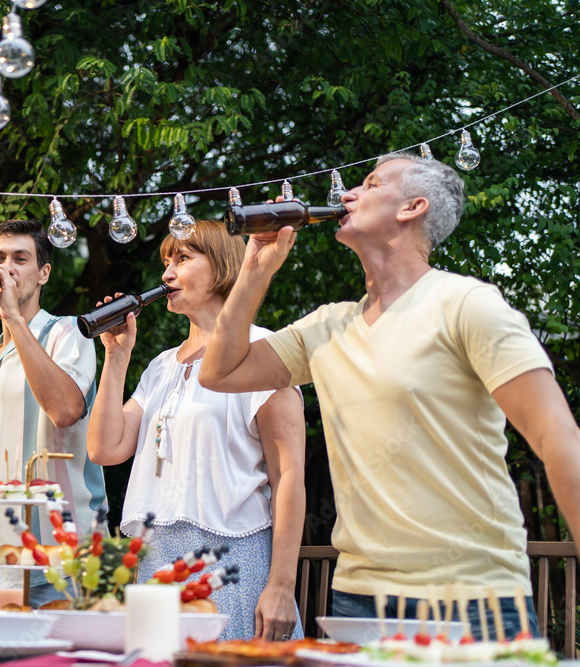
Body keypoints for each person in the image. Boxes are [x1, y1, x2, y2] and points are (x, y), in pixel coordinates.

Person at [199, 152, 580, 638]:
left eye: (371, 184)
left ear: (412, 208)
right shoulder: (326, 325)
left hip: (471, 599)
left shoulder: (467, 305)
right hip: (358, 601)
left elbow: (558, 439)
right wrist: (255, 270)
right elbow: (219, 372)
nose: (347, 194)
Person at [86, 219, 306, 641]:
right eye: (166, 262)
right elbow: (105, 448)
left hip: (231, 560)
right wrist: (116, 356)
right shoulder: (162, 366)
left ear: (222, 265)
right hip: (154, 561)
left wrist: (281, 584)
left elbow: (290, 477)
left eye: (182, 259)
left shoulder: (262, 352)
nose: (167, 274)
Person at [0, 218, 107, 608]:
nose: (7, 268)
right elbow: (0, 475)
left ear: (43, 273)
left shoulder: (69, 333)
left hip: (68, 557)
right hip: (5, 562)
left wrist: (12, 316)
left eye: (20, 259)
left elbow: (64, 410)